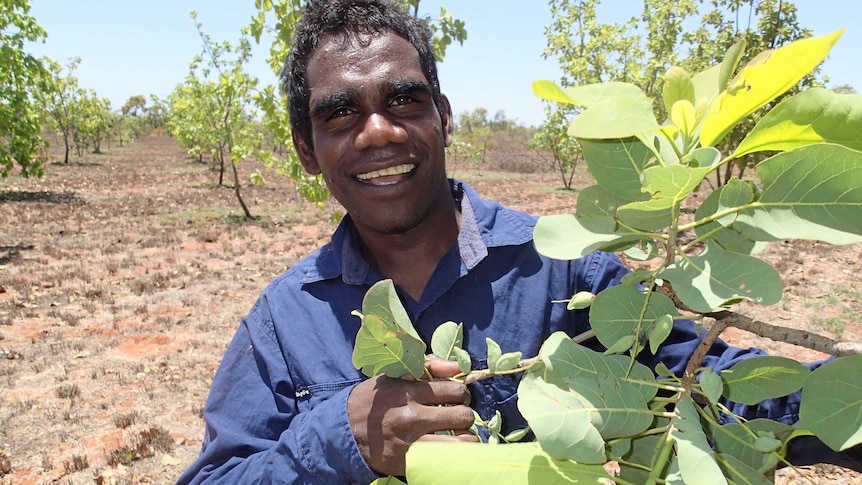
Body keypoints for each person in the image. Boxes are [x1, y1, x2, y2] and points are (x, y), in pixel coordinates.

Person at [177, 1, 859, 483]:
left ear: (443, 118)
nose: (379, 131)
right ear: (306, 149)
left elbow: (721, 389)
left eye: (404, 100)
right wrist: (337, 440)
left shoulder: (562, 271)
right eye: (340, 112)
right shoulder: (283, 323)